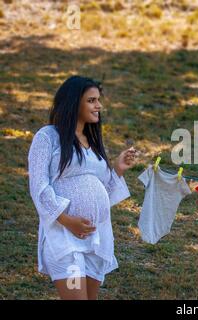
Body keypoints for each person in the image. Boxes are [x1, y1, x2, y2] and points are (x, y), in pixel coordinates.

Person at [28, 76, 137, 299]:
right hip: (65, 236)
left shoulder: (92, 142)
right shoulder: (48, 137)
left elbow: (102, 191)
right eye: (92, 100)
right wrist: (67, 221)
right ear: (73, 102)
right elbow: (39, 186)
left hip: (97, 237)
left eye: (98, 100)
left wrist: (117, 168)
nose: (99, 106)